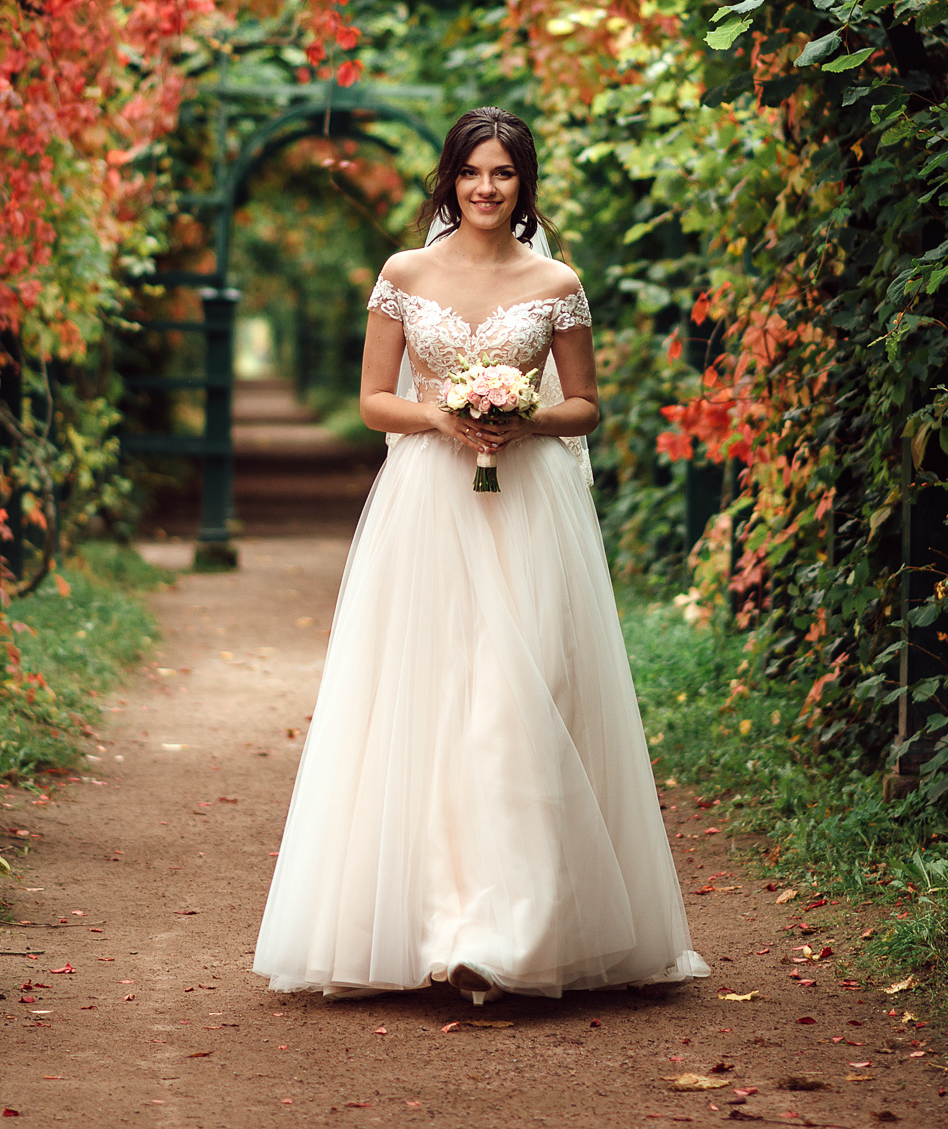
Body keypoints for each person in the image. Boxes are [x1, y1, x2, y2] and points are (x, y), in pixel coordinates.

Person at [252, 107, 710, 1005]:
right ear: (449, 181)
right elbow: (375, 400)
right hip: (426, 508)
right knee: (429, 702)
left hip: (528, 514)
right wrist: (443, 415)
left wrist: (520, 415)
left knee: (515, 702)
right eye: (472, 172)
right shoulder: (404, 274)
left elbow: (585, 405)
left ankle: (511, 933)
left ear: (523, 184)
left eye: (503, 173)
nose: (487, 188)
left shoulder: (555, 280)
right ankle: (434, 923)